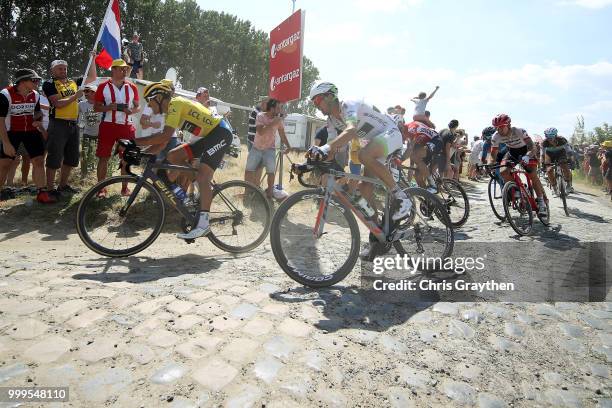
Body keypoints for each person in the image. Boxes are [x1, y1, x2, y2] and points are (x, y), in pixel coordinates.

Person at [129, 81, 234, 239]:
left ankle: (204, 224)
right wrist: (141, 152)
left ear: (158, 97)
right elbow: (163, 144)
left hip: (220, 133)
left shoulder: (176, 104)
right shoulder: (169, 112)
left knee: (203, 176)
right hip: (208, 135)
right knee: (173, 155)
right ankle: (196, 194)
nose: (149, 106)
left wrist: (133, 142)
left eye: (150, 101)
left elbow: (163, 137)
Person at [307, 81, 413, 222]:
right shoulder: (331, 120)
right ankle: (377, 227)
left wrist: (325, 148)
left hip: (389, 133)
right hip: (372, 143)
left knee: (363, 155)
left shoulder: (348, 105)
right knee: (364, 188)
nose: (316, 105)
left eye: (318, 100)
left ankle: (401, 197)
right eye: (314, 102)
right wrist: (309, 162)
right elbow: (332, 149)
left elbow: (351, 130)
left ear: (330, 96)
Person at [43, 58, 97, 196]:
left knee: (71, 158)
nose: (63, 71)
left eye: (65, 68)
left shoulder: (73, 82)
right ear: (52, 71)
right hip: (58, 123)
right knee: (54, 157)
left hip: (74, 124)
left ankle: (62, 185)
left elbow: (92, 77)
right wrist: (75, 96)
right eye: (60, 68)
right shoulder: (49, 84)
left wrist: (93, 60)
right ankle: (49, 189)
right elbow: (58, 104)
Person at [0, 69, 54, 203]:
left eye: (38, 80)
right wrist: (6, 143)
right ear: (23, 81)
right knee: (5, 163)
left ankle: (42, 192)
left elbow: (37, 112)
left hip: (30, 132)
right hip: (11, 132)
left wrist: (39, 121)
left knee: (39, 161)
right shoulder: (5, 94)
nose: (38, 83)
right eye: (34, 80)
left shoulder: (35, 94)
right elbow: (0, 120)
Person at [94, 59, 140, 196]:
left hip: (126, 126)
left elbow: (138, 106)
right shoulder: (103, 86)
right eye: (121, 69)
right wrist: (109, 107)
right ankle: (100, 189)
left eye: (125, 69)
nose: (124, 71)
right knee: (103, 157)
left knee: (126, 158)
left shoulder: (132, 87)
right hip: (108, 125)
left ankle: (125, 188)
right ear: (113, 70)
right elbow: (96, 107)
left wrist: (132, 111)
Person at [489, 113, 547, 216]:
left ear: (508, 125)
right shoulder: (496, 136)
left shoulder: (519, 131)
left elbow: (532, 146)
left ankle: (541, 202)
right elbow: (493, 154)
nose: (499, 130)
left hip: (527, 151)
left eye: (502, 127)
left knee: (532, 174)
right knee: (503, 171)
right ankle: (517, 188)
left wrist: (528, 156)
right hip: (512, 152)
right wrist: (490, 164)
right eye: (497, 128)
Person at [244, 98, 291, 198]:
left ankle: (269, 193)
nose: (280, 110)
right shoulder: (260, 116)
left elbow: (282, 134)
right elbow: (260, 131)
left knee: (271, 172)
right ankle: (247, 192)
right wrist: (274, 122)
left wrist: (289, 146)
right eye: (278, 108)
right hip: (256, 148)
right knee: (249, 170)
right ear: (272, 108)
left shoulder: (278, 120)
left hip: (270, 149)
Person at [540, 127, 573, 195]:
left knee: (564, 166)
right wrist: (543, 164)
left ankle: (569, 184)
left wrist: (571, 160)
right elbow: (542, 154)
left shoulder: (562, 139)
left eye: (551, 137)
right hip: (549, 154)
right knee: (549, 170)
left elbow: (569, 151)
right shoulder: (544, 142)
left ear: (555, 136)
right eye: (548, 137)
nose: (550, 139)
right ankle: (554, 187)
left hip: (561, 153)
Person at [78, 83, 102, 174]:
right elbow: (77, 116)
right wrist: (80, 126)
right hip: (86, 132)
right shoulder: (81, 104)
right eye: (84, 91)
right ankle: (83, 172)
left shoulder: (101, 104)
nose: (85, 93)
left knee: (94, 154)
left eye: (88, 91)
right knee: (84, 153)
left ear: (94, 92)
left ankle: (91, 171)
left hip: (99, 134)